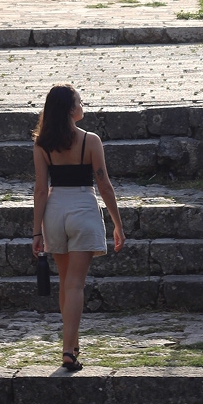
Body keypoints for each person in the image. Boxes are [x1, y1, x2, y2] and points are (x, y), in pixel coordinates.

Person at [31, 83, 125, 372]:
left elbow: (40, 189)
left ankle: (70, 342)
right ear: (72, 109)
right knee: (76, 284)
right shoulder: (91, 140)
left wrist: (36, 231)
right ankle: (68, 349)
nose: (83, 105)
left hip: (55, 211)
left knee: (65, 282)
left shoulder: (42, 144)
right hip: (83, 208)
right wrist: (117, 223)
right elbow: (104, 185)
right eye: (80, 101)